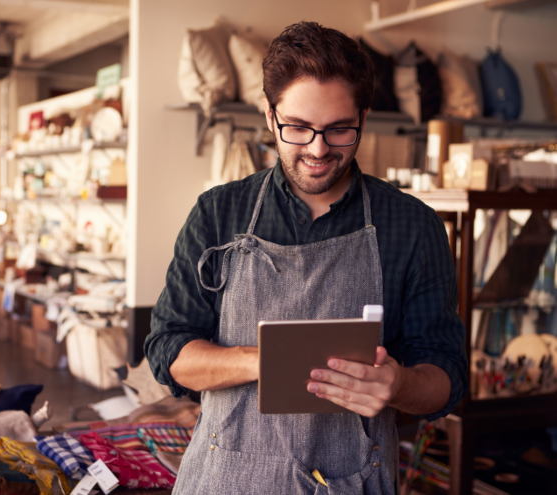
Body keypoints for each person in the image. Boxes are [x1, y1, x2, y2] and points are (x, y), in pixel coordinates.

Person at [145, 22, 467, 495]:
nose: (318, 149)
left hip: (354, 482)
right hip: (225, 481)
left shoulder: (413, 226)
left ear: (364, 115)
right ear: (270, 116)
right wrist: (266, 361)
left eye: (340, 130)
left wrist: (397, 386)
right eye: (298, 128)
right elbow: (167, 350)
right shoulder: (217, 214)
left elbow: (447, 377)